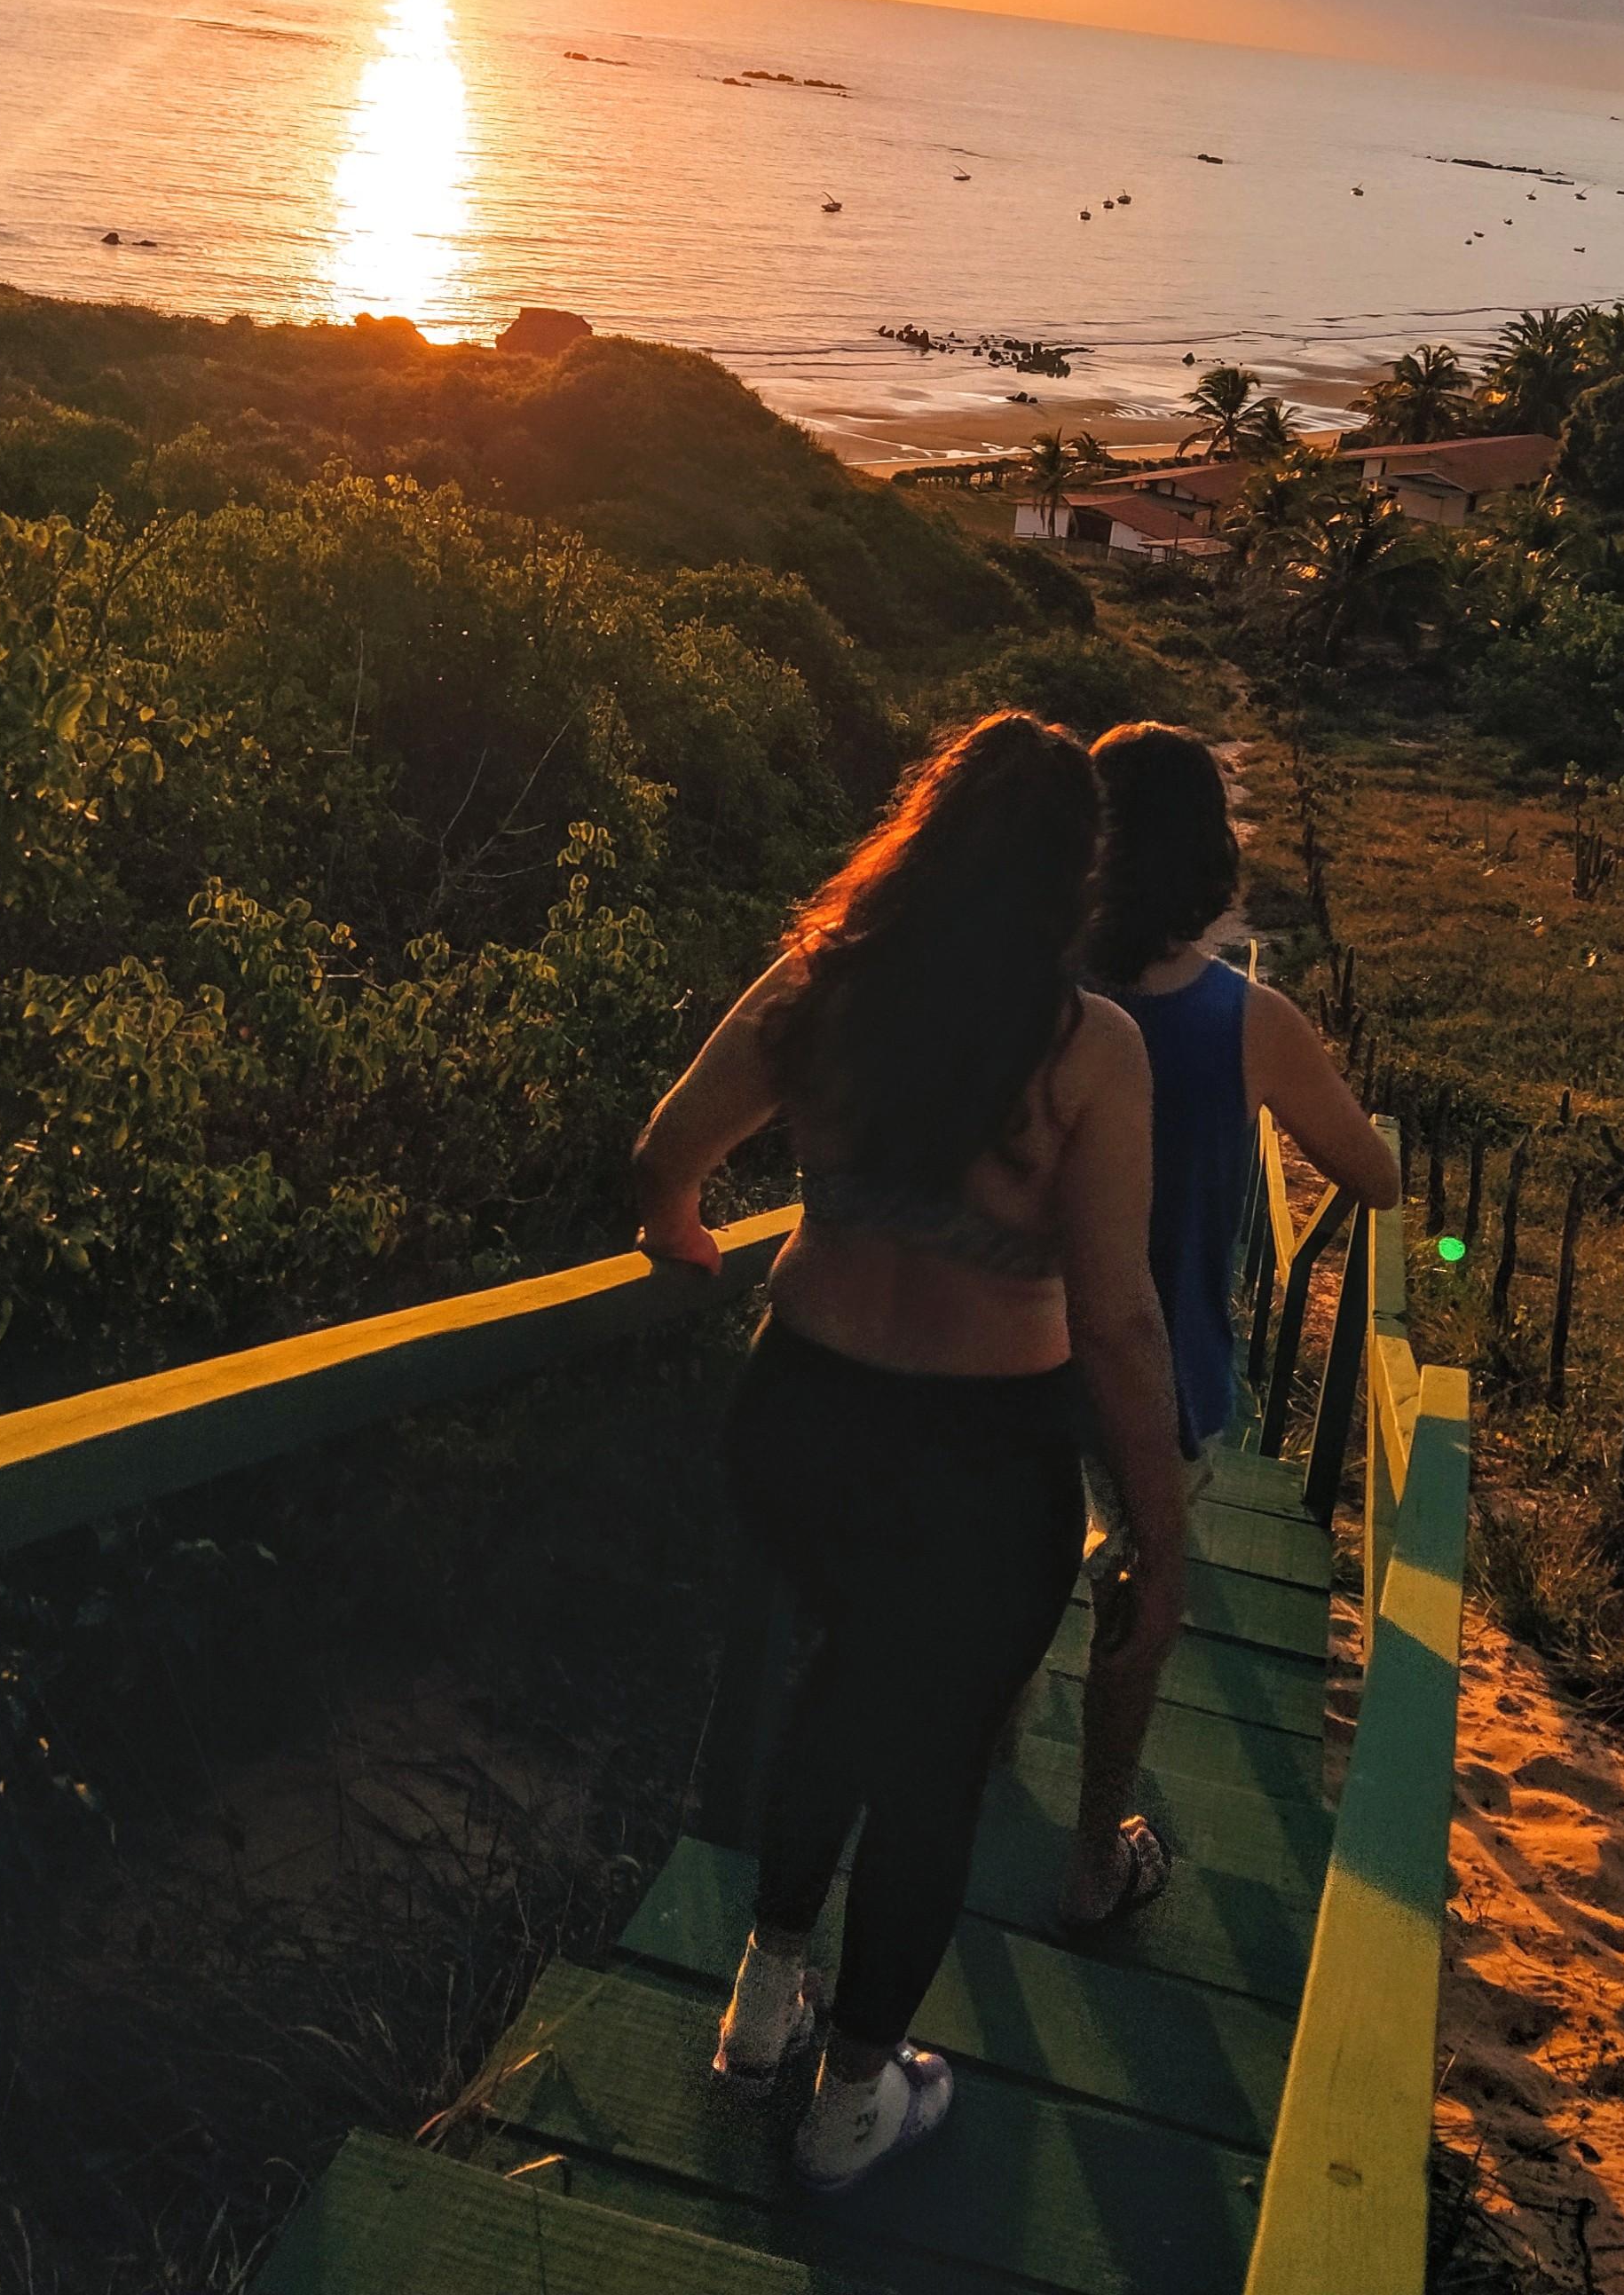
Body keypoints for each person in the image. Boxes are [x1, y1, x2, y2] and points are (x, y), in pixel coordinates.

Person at [631, 712, 1186, 2196]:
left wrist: (679, 1235)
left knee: (841, 1681)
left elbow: (669, 1152)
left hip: (799, 1416)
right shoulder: (1089, 1053)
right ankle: (851, 2099)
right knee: (930, 1764)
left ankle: (760, 2012)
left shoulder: (821, 987)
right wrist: (1160, 1519)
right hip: (977, 1458)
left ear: (921, 837)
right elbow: (1122, 1321)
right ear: (1075, 877)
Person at [1059, 722, 1400, 1929]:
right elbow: (1372, 1176)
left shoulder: (1042, 995)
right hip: (1169, 1365)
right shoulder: (1248, 1019)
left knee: (1010, 1560)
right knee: (1137, 1601)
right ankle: (1096, 1846)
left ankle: (984, 1761)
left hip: (1016, 1340)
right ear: (1210, 855)